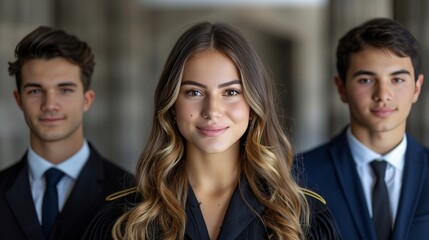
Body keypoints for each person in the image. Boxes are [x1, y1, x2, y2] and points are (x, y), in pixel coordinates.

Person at [83, 22, 341, 240]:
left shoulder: (303, 216)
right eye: (194, 92)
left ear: (253, 105)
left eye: (231, 92)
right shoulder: (124, 217)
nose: (212, 110)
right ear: (172, 104)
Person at [296, 18, 429, 240]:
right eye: (366, 80)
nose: (383, 95)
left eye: (397, 79)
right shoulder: (299, 175)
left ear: (417, 88)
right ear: (342, 88)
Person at [0, 26, 133, 240]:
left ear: (87, 100)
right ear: (19, 100)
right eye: (35, 90)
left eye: (65, 90)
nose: (50, 104)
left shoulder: (132, 195)